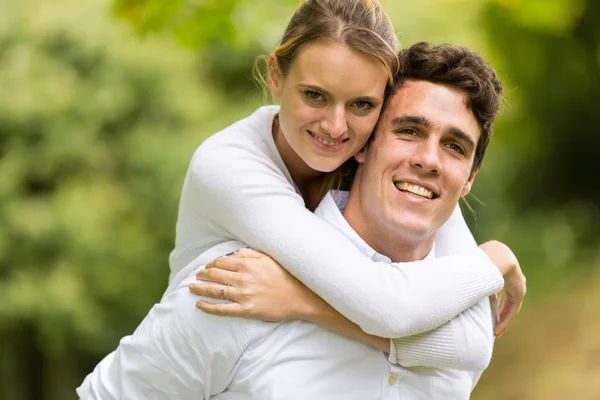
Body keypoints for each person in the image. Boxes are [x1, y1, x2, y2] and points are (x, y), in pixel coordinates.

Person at [77, 42, 515, 399]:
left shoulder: (457, 322)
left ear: (470, 178)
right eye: (409, 131)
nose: (427, 160)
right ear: (362, 144)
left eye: (455, 147)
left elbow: (470, 345)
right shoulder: (240, 285)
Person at [166, 0, 525, 353]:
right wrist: (492, 260)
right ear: (275, 75)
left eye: (362, 104)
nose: (336, 127)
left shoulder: (385, 161)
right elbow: (390, 309)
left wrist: (300, 302)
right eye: (314, 95)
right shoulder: (228, 167)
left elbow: (472, 342)